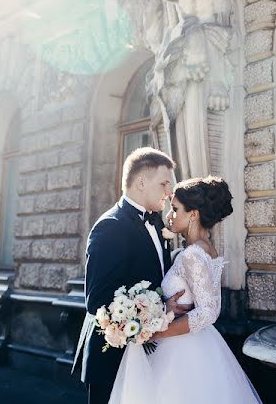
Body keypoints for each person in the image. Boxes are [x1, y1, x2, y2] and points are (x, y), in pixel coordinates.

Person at [109, 176, 263, 404]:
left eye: (175, 209)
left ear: (193, 214)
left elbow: (208, 312)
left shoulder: (192, 255)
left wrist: (154, 332)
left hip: (183, 352)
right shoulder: (203, 250)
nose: (169, 215)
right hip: (193, 344)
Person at [73, 147, 192, 404]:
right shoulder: (109, 227)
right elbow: (98, 300)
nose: (169, 191)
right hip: (113, 357)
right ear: (141, 182)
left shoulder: (157, 222)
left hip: (149, 351)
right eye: (163, 183)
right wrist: (161, 308)